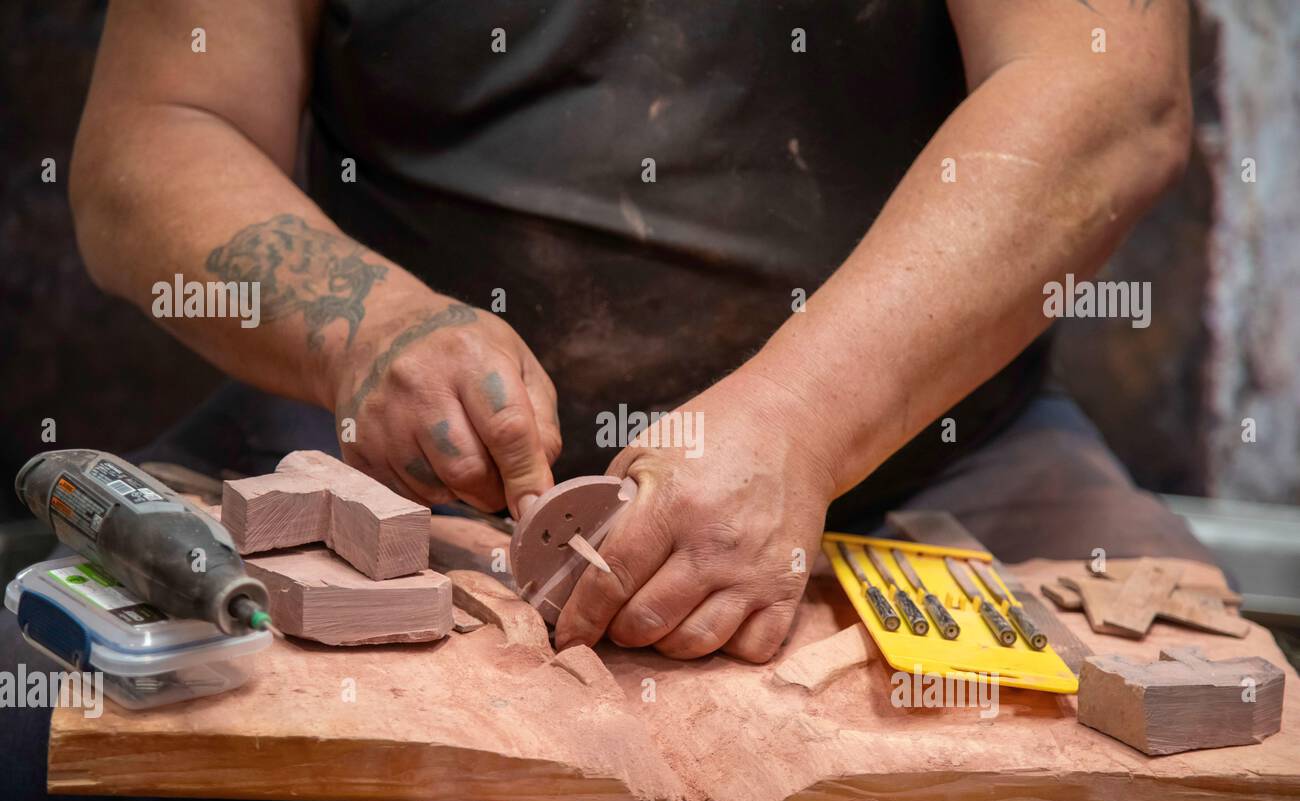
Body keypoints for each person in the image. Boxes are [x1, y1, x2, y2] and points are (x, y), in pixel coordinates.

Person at [69, 0, 1205, 667]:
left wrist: (800, 419)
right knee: (52, 756)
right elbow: (152, 134)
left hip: (936, 443)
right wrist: (365, 323)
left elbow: (1112, 92)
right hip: (375, 450)